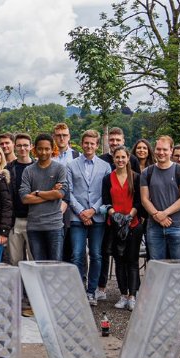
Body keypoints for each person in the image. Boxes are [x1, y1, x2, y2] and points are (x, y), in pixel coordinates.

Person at [66, 130, 110, 304]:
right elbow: (68, 192)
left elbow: (106, 193)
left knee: (96, 255)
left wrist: (93, 210)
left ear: (97, 145)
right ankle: (78, 290)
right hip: (77, 217)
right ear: (81, 143)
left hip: (97, 217)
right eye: (86, 143)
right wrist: (81, 212)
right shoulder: (71, 165)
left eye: (92, 143)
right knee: (76, 254)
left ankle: (91, 291)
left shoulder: (105, 166)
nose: (89, 146)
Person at [102, 146, 143, 310]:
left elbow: (139, 201)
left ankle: (133, 295)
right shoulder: (107, 178)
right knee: (119, 260)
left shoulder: (136, 178)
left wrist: (130, 216)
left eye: (123, 157)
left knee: (132, 261)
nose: (120, 160)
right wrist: (114, 215)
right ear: (113, 159)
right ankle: (123, 294)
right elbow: (105, 200)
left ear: (128, 159)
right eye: (117, 157)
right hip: (115, 224)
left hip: (133, 224)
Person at [140, 136, 180, 260]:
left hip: (177, 226)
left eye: (164, 149)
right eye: (158, 149)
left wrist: (164, 214)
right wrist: (156, 215)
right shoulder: (147, 172)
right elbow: (144, 199)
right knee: (157, 267)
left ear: (171, 150)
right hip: (154, 227)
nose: (161, 152)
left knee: (179, 267)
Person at [19, 134, 68, 261]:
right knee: (38, 267)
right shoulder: (28, 171)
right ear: (35, 149)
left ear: (53, 149)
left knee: (54, 266)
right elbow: (25, 198)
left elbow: (60, 194)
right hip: (34, 226)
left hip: (54, 226)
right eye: (40, 149)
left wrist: (37, 192)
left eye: (47, 149)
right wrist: (50, 192)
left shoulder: (60, 169)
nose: (43, 152)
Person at [3, 133, 35, 264]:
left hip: (34, 220)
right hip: (14, 220)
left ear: (31, 147)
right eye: (20, 145)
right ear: (15, 147)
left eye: (26, 145)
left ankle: (32, 285)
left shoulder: (38, 167)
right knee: (15, 260)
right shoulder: (9, 168)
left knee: (34, 260)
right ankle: (18, 285)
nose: (23, 148)